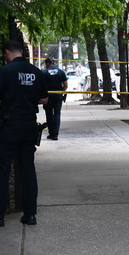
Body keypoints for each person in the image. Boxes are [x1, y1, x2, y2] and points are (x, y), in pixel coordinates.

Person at [0, 40, 48, 227]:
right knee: (28, 170)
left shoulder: (5, 72)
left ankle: (0, 215)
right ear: (21, 51)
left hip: (9, 125)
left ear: (6, 53)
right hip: (29, 125)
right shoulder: (36, 72)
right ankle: (30, 214)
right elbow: (44, 99)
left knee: (3, 170)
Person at [43, 58, 68, 140]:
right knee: (57, 114)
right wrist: (61, 92)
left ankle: (51, 133)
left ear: (47, 63)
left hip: (48, 96)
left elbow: (41, 86)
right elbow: (65, 85)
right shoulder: (60, 71)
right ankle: (56, 134)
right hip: (58, 95)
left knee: (49, 114)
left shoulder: (44, 72)